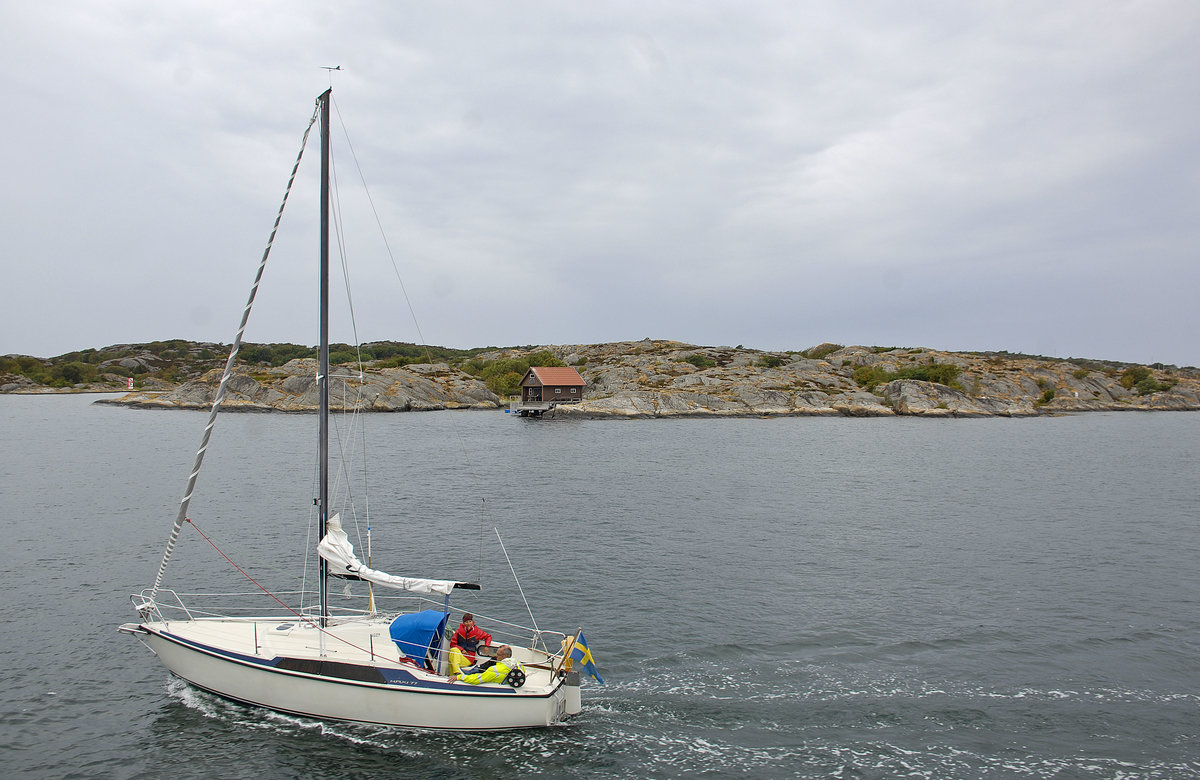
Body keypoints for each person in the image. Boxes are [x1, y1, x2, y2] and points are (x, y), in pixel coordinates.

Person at [448, 645, 515, 685]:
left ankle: (458, 673)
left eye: (498, 655)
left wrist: (459, 677)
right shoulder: (516, 664)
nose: (496, 656)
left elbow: (476, 680)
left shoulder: (495, 670)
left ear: (505, 656)